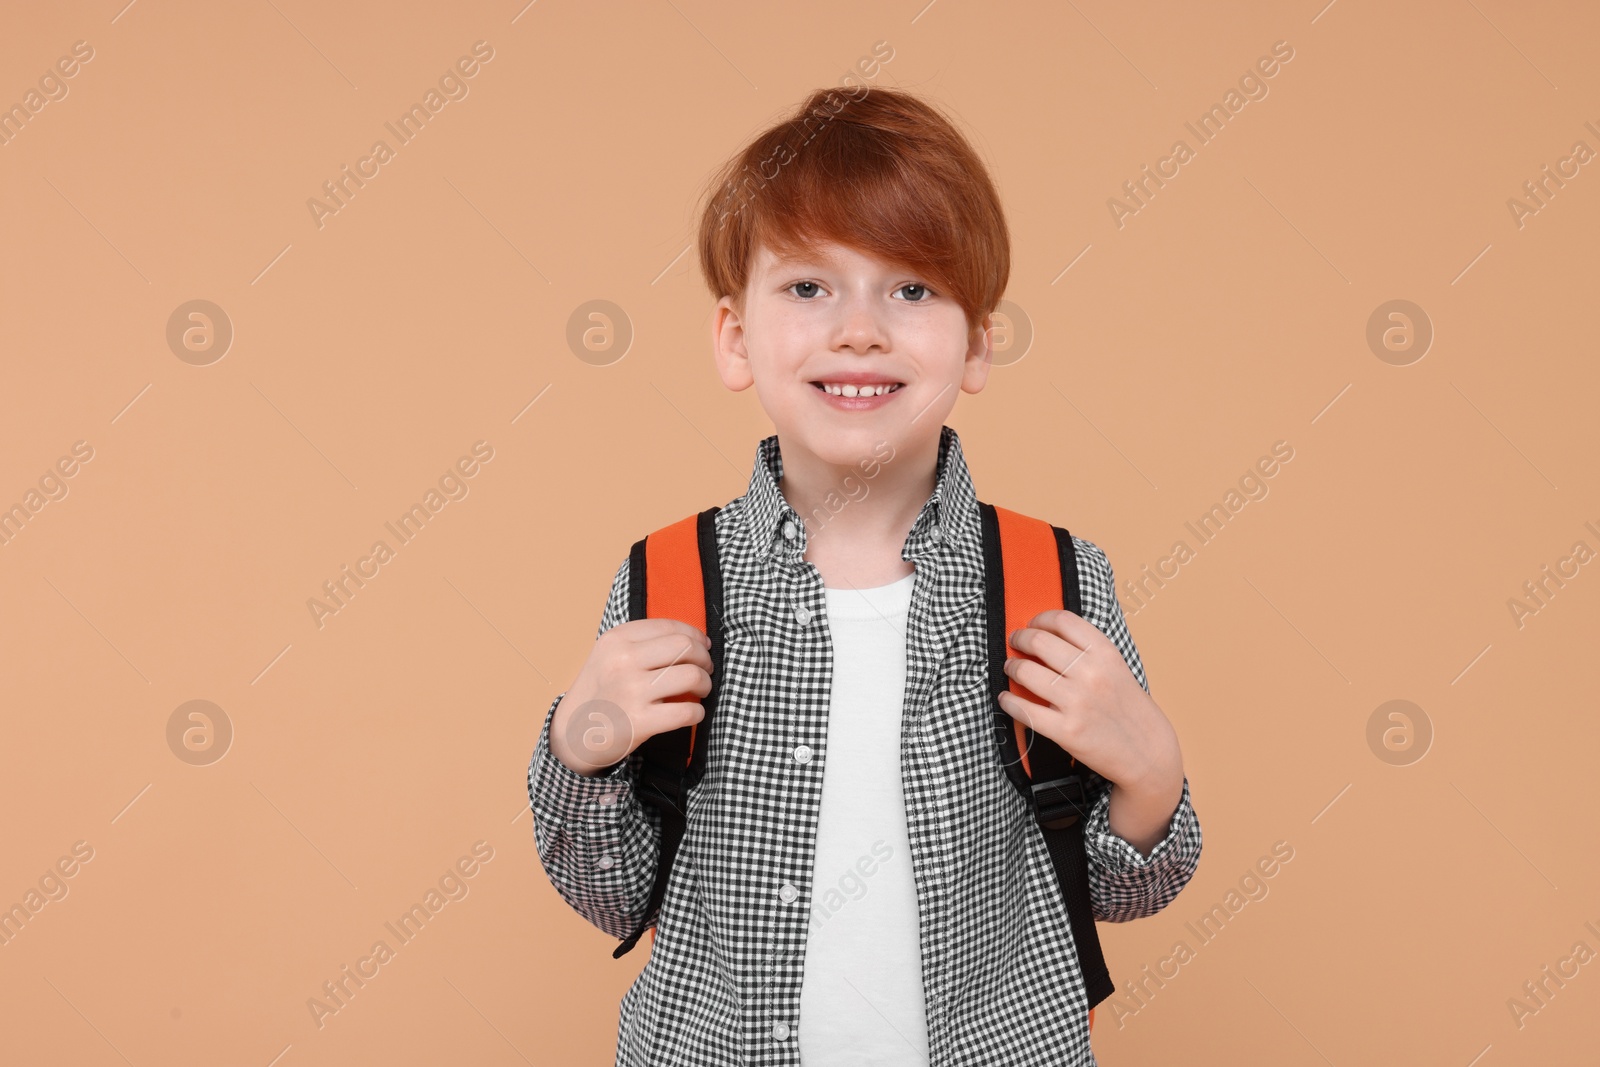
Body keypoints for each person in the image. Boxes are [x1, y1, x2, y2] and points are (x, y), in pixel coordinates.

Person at [527, 84, 1201, 1066]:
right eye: (808, 287)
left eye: (912, 288)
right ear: (733, 337)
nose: (859, 330)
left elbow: (1119, 888)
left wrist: (1151, 773)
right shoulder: (667, 578)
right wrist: (577, 746)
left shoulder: (1053, 577)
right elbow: (614, 893)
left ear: (975, 342)